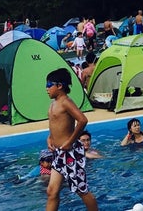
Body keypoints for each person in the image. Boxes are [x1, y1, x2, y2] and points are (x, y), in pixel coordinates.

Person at [44, 68, 98, 210]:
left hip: (70, 154)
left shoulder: (66, 102)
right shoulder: (54, 104)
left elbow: (82, 120)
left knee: (82, 190)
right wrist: (50, 138)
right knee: (52, 191)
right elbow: (58, 125)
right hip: (58, 154)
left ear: (60, 86)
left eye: (49, 85)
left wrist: (70, 141)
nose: (46, 88)